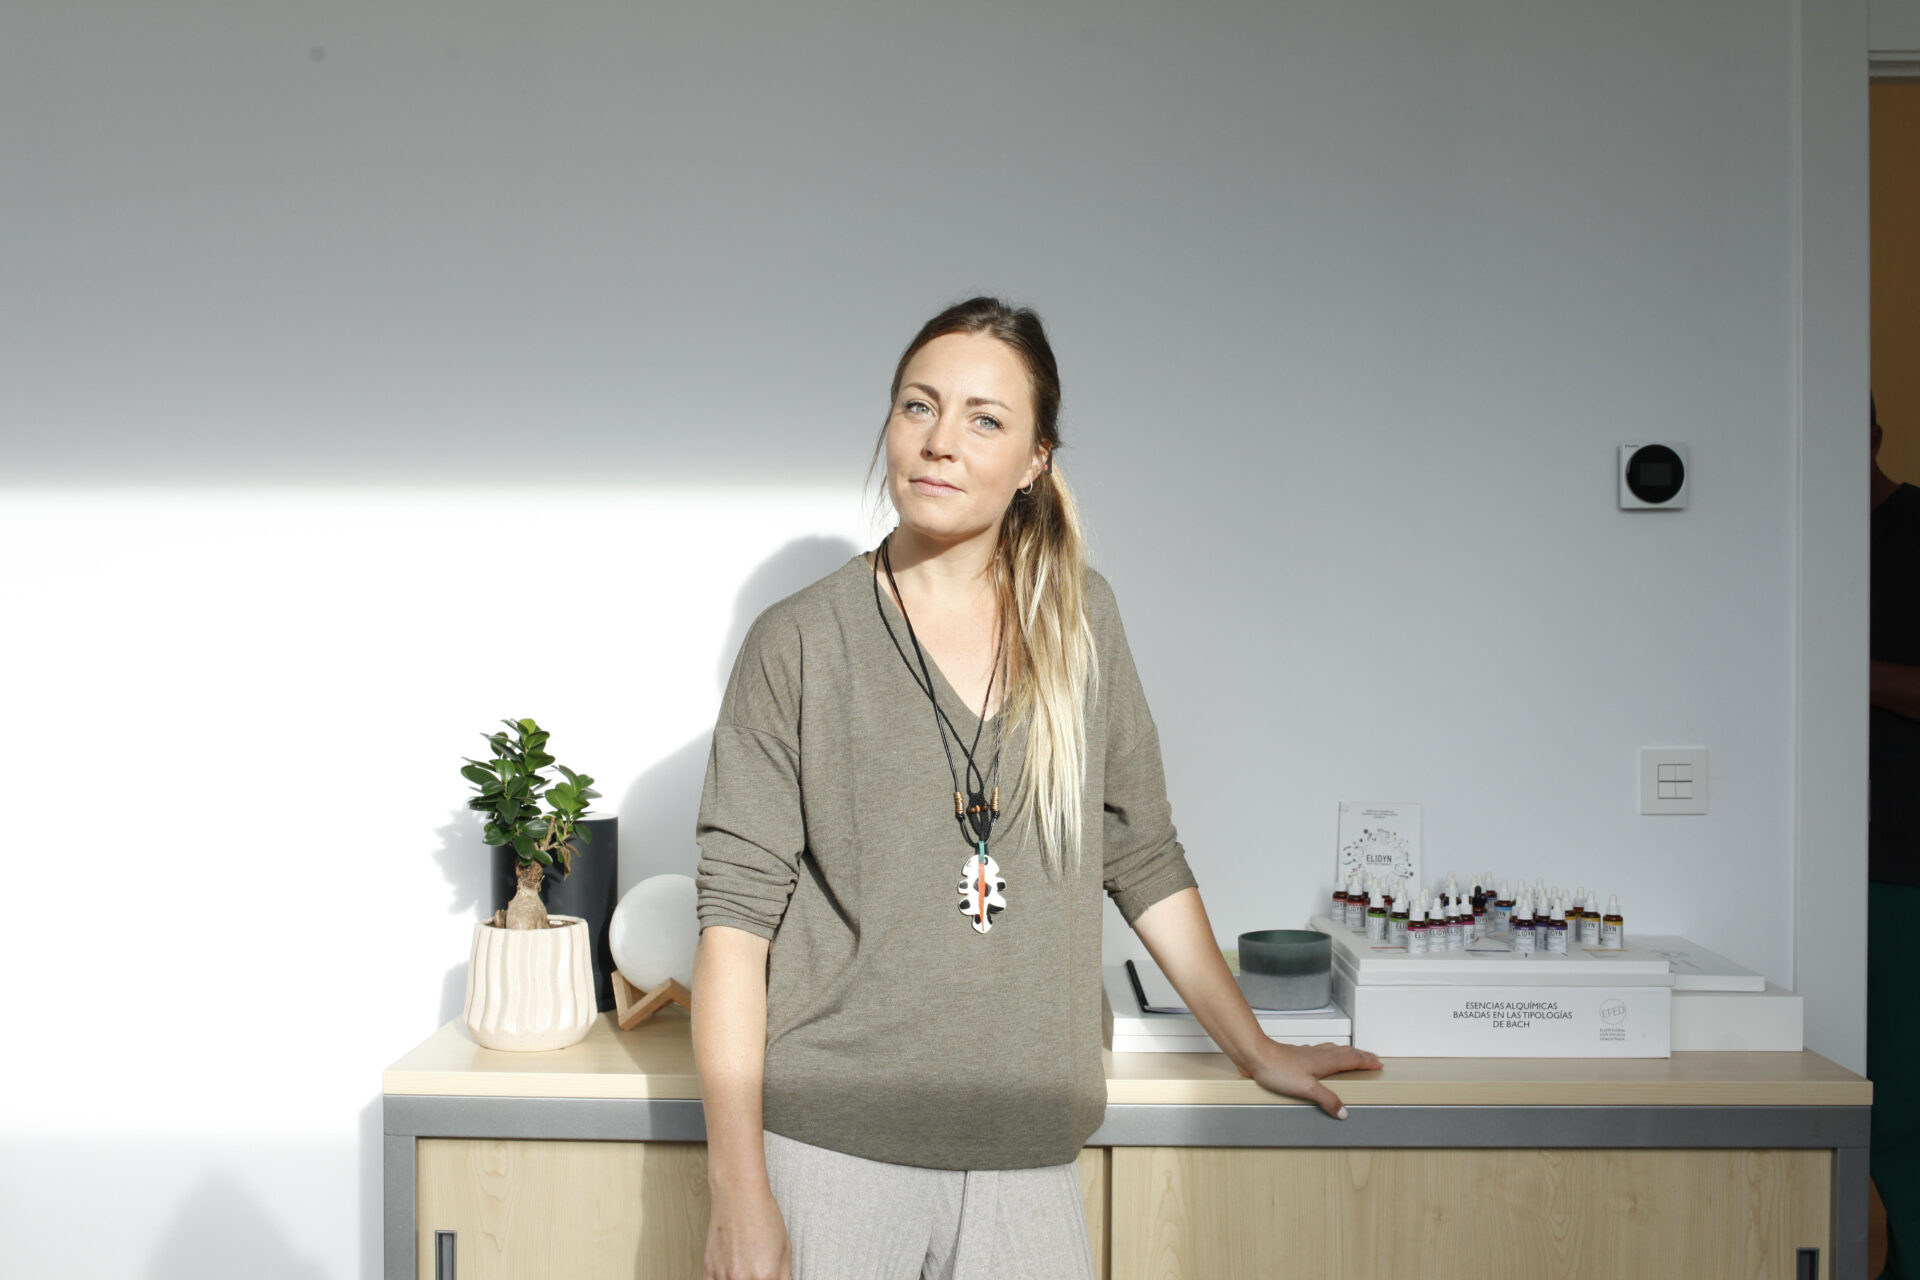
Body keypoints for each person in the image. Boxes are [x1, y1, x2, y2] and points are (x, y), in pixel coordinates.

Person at [690, 295, 1381, 1280]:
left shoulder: (1080, 622)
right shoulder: (797, 641)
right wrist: (738, 1191)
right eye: (918, 405)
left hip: (1032, 1150)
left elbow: (1142, 855)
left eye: (985, 419)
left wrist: (1255, 1047)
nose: (940, 441)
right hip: (833, 1148)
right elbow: (734, 924)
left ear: (1034, 460)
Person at [1871, 391, 1920, 1280]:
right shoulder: (1800, 537)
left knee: (1902, 1109)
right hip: (1840, 866)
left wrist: (1838, 661)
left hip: (1905, 867)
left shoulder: (1914, 528)